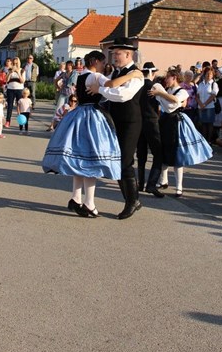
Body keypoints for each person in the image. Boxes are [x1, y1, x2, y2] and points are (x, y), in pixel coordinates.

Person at [42, 50, 126, 218]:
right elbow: (113, 84)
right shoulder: (96, 76)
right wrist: (132, 75)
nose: (104, 66)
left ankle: (76, 197)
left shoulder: (80, 76)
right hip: (92, 118)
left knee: (80, 159)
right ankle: (89, 203)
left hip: (79, 115)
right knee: (91, 161)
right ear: (95, 62)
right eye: (102, 63)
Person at [86, 37, 145, 220]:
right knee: (117, 162)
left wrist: (100, 90)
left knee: (125, 161)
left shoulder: (136, 75)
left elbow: (122, 95)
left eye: (117, 53)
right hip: (115, 121)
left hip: (130, 122)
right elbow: (107, 88)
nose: (114, 57)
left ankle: (132, 201)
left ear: (128, 54)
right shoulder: (116, 73)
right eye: (113, 53)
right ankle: (131, 199)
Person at [149, 68, 213, 198]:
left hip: (176, 123)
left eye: (168, 77)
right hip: (165, 121)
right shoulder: (166, 90)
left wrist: (160, 93)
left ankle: (179, 187)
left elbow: (174, 100)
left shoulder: (182, 91)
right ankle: (163, 180)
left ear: (174, 78)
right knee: (163, 151)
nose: (166, 79)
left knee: (177, 154)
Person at [136, 61, 164, 197]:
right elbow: (165, 103)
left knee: (141, 154)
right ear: (152, 72)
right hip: (151, 121)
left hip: (139, 121)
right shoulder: (154, 86)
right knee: (158, 154)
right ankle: (151, 184)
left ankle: (140, 183)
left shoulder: (138, 85)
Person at [196, 65, 218, 142]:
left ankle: (209, 140)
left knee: (209, 124)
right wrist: (200, 104)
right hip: (201, 107)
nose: (209, 75)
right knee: (203, 124)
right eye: (207, 74)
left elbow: (213, 96)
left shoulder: (214, 84)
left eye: (211, 74)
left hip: (209, 107)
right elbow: (197, 96)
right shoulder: (201, 84)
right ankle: (204, 140)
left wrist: (205, 104)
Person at [4, 57, 25, 128]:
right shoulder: (9, 70)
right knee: (10, 106)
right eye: (14, 63)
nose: (15, 65)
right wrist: (10, 72)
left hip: (19, 89)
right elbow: (6, 80)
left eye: (16, 63)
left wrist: (18, 72)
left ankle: (21, 122)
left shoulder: (22, 70)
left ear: (19, 63)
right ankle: (8, 121)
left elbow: (22, 81)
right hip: (10, 89)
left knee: (20, 106)